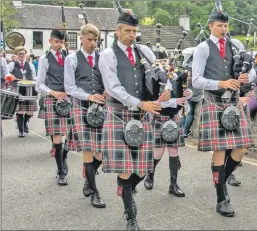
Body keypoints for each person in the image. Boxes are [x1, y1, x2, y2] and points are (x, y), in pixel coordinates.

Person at [98, 11, 169, 230]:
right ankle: (131, 216)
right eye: (127, 31)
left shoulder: (145, 50)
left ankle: (124, 189)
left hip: (142, 114)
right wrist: (140, 104)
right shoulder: (107, 55)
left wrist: (164, 90)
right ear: (117, 31)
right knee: (125, 168)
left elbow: (160, 74)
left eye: (134, 31)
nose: (132, 35)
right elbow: (113, 88)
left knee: (141, 169)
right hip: (119, 113)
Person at [191, 10, 256, 217]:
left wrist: (246, 77)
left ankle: (223, 179)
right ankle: (221, 198)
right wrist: (220, 83)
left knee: (242, 147)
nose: (224, 29)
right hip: (213, 99)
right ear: (211, 25)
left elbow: (252, 70)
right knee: (219, 150)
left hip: (233, 101)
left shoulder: (236, 45)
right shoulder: (202, 48)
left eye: (226, 26)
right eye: (220, 25)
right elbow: (196, 80)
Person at [64, 23, 106, 208]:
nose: (93, 43)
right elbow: (69, 87)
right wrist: (89, 96)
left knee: (101, 152)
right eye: (89, 40)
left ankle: (88, 180)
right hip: (81, 106)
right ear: (81, 38)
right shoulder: (71, 59)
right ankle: (95, 194)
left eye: (95, 40)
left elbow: (109, 81)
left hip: (101, 108)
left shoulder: (103, 58)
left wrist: (107, 93)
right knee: (88, 150)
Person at [143, 47, 192, 198]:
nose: (163, 63)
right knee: (158, 152)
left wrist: (187, 94)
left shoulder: (175, 76)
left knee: (173, 151)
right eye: (160, 60)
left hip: (173, 118)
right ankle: (150, 174)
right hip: (159, 117)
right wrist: (174, 101)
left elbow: (182, 94)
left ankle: (173, 184)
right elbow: (154, 102)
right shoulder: (151, 78)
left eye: (165, 60)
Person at [35, 29, 70, 185]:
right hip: (53, 99)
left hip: (68, 99)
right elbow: (39, 84)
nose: (59, 45)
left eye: (61, 42)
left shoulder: (68, 57)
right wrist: (53, 92)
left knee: (71, 136)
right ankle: (61, 172)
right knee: (57, 136)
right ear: (50, 41)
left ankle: (63, 156)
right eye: (57, 42)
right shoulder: (44, 59)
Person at [8, 46, 37, 137]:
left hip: (29, 89)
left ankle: (24, 124)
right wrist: (10, 77)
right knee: (20, 111)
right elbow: (7, 74)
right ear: (16, 55)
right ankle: (21, 131)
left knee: (30, 111)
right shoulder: (12, 65)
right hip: (17, 89)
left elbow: (34, 77)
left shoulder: (30, 65)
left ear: (25, 54)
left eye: (23, 53)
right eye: (19, 53)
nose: (21, 55)